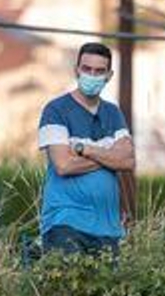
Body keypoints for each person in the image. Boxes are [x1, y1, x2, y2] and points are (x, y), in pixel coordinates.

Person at [36, 42, 135, 256]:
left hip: (109, 228)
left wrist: (86, 149)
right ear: (76, 70)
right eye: (86, 69)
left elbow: (127, 162)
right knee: (67, 290)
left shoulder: (113, 113)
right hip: (65, 225)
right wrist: (110, 155)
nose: (92, 75)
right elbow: (64, 165)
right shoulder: (56, 110)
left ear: (109, 75)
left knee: (108, 290)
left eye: (99, 71)